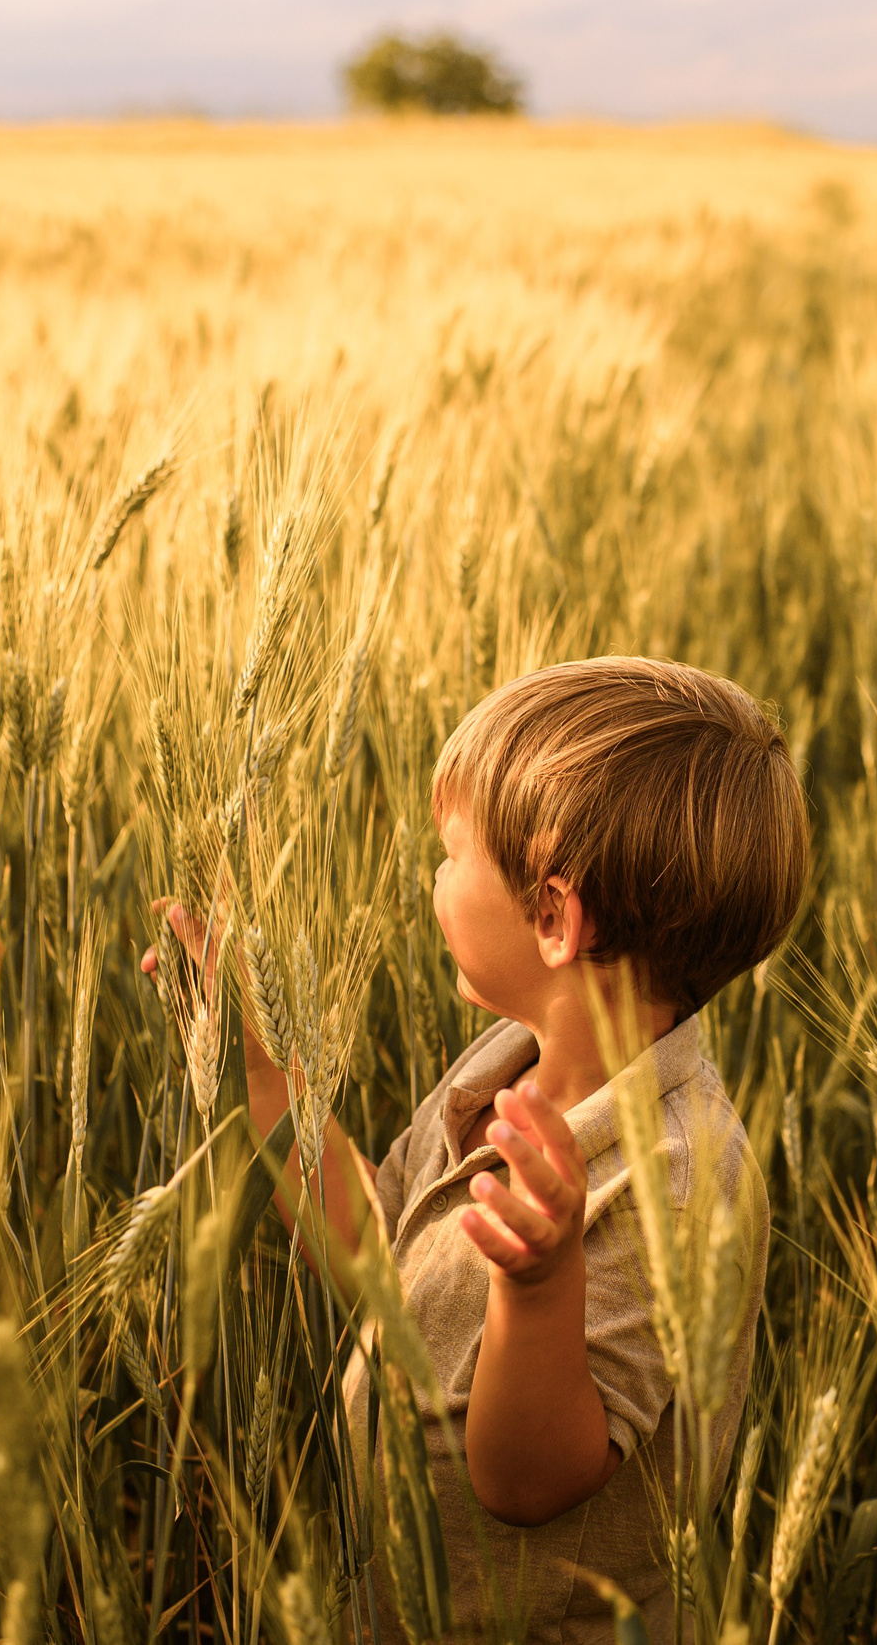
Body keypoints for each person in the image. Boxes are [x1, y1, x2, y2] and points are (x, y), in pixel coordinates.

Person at [146, 656, 809, 1643]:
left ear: (551, 916)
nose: (431, 877)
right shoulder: (499, 1069)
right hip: (405, 1601)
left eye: (450, 854)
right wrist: (259, 1081)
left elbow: (529, 1479)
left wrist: (540, 1286)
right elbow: (381, 1257)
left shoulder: (677, 1175)